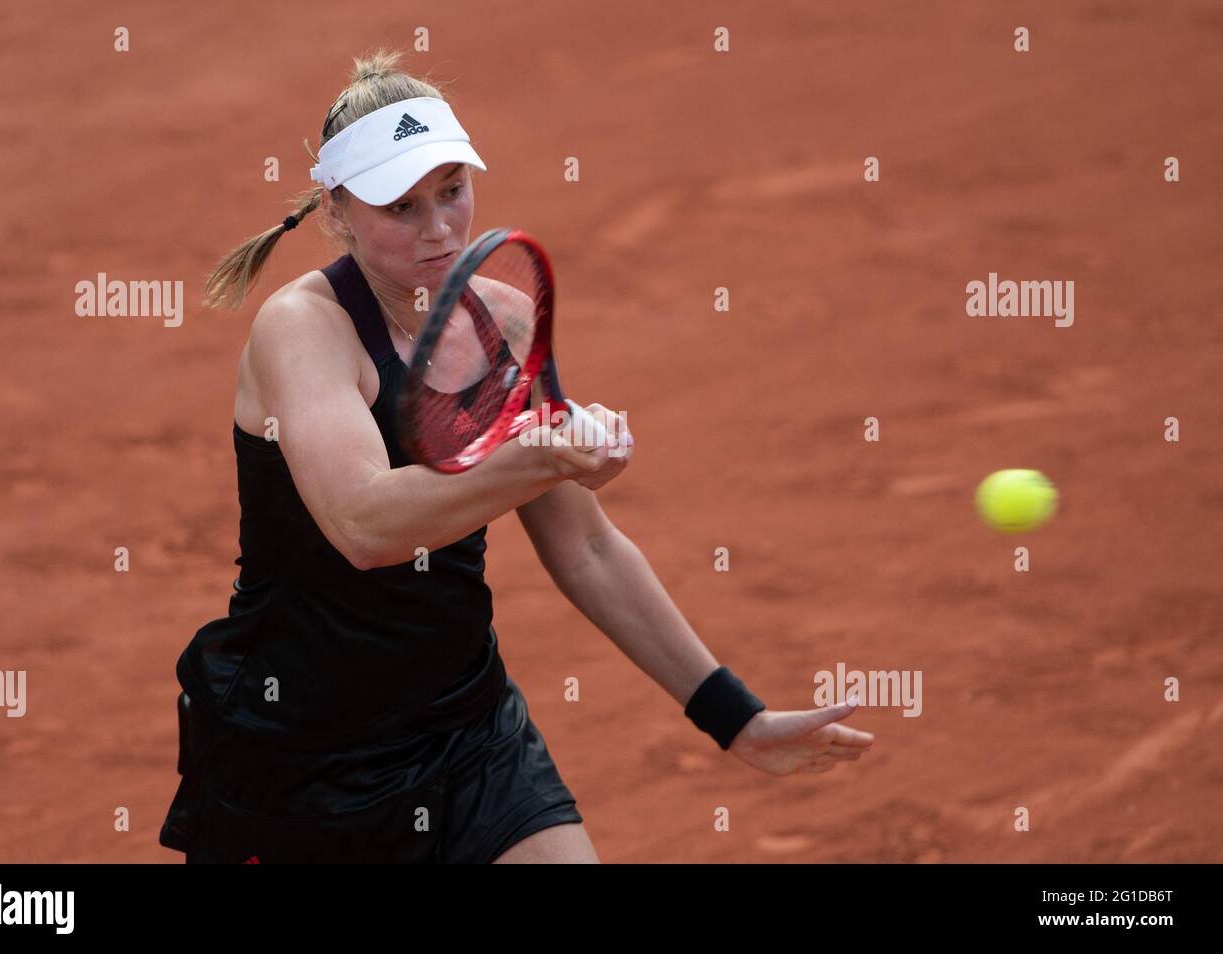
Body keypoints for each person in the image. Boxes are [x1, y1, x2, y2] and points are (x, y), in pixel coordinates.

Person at [158, 49, 874, 864]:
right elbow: (364, 525)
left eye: (452, 191)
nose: (437, 228)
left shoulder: (504, 319)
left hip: (468, 734)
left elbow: (589, 546)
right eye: (400, 205)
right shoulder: (305, 330)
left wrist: (733, 715)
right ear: (339, 209)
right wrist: (538, 456)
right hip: (299, 759)